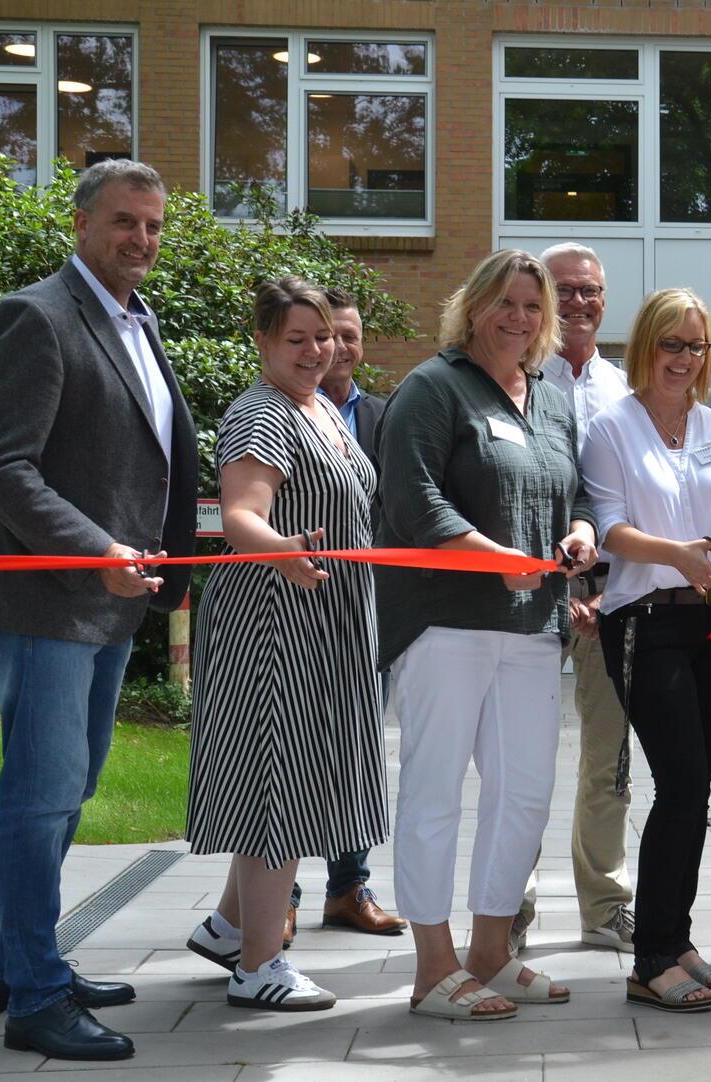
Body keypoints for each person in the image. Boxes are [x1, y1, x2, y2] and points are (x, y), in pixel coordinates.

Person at [0, 158, 196, 1060]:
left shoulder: (139, 320)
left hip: (108, 605)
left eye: (155, 225)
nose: (142, 239)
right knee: (40, 795)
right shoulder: (36, 316)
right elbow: (0, 466)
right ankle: (37, 1003)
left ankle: (21, 961)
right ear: (83, 223)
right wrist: (98, 549)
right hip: (45, 597)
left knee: (71, 789)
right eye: (126, 221)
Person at [376, 249, 598, 1019]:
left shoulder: (550, 398)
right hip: (445, 624)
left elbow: (577, 495)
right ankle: (432, 967)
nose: (520, 318)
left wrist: (577, 533)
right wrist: (494, 558)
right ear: (473, 306)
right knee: (435, 792)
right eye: (505, 302)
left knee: (525, 794)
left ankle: (491, 953)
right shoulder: (432, 389)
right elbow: (414, 503)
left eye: (533, 307)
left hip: (533, 628)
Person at [180, 277, 389, 1012]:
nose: (314, 350)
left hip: (323, 618)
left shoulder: (322, 407)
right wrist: (282, 549)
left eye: (323, 335)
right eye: (295, 338)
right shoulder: (262, 414)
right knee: (282, 784)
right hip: (277, 623)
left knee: (288, 775)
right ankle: (260, 966)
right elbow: (240, 512)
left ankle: (230, 927)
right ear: (264, 341)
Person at [580, 288, 711, 1012]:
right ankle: (651, 957)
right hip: (645, 623)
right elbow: (612, 531)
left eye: (697, 347)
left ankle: (675, 939)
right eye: (672, 344)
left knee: (696, 790)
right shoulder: (612, 426)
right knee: (682, 784)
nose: (685, 360)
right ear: (645, 348)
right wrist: (681, 556)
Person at [514, 242, 636, 955]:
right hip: (532, 591)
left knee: (608, 759)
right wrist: (563, 592)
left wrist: (609, 587)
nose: (582, 302)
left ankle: (604, 907)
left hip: (615, 593)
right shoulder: (519, 380)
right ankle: (514, 909)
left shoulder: (625, 386)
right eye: (568, 290)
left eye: (592, 290)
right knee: (523, 759)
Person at [283, 285, 405, 942]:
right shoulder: (280, 411)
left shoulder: (384, 417)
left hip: (366, 608)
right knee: (296, 748)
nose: (336, 348)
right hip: (295, 604)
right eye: (326, 334)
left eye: (348, 336)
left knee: (356, 748)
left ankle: (349, 886)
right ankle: (283, 894)